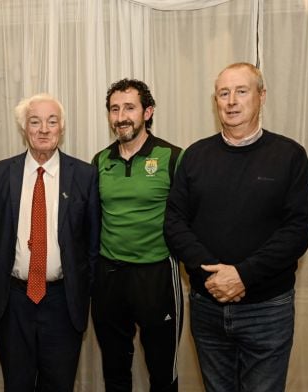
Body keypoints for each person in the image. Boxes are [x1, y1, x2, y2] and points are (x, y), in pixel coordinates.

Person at [164, 62, 308, 391]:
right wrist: (214, 276)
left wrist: (243, 274)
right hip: (207, 305)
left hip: (267, 310)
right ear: (215, 101)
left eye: (241, 91)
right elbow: (175, 223)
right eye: (223, 93)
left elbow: (297, 231)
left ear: (262, 96)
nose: (231, 101)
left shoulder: (289, 156)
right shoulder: (194, 156)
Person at [0, 93, 100, 391]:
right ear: (24, 128)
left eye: (52, 121)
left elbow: (93, 243)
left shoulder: (85, 175)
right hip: (13, 301)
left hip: (63, 301)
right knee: (17, 384)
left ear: (62, 127)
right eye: (35, 122)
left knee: (59, 385)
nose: (44, 129)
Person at [91, 79, 184, 392]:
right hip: (109, 277)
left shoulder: (173, 157)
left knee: (162, 373)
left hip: (156, 275)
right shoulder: (100, 161)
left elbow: (189, 218)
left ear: (148, 112)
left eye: (129, 107)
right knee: (115, 372)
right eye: (114, 109)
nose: (121, 116)